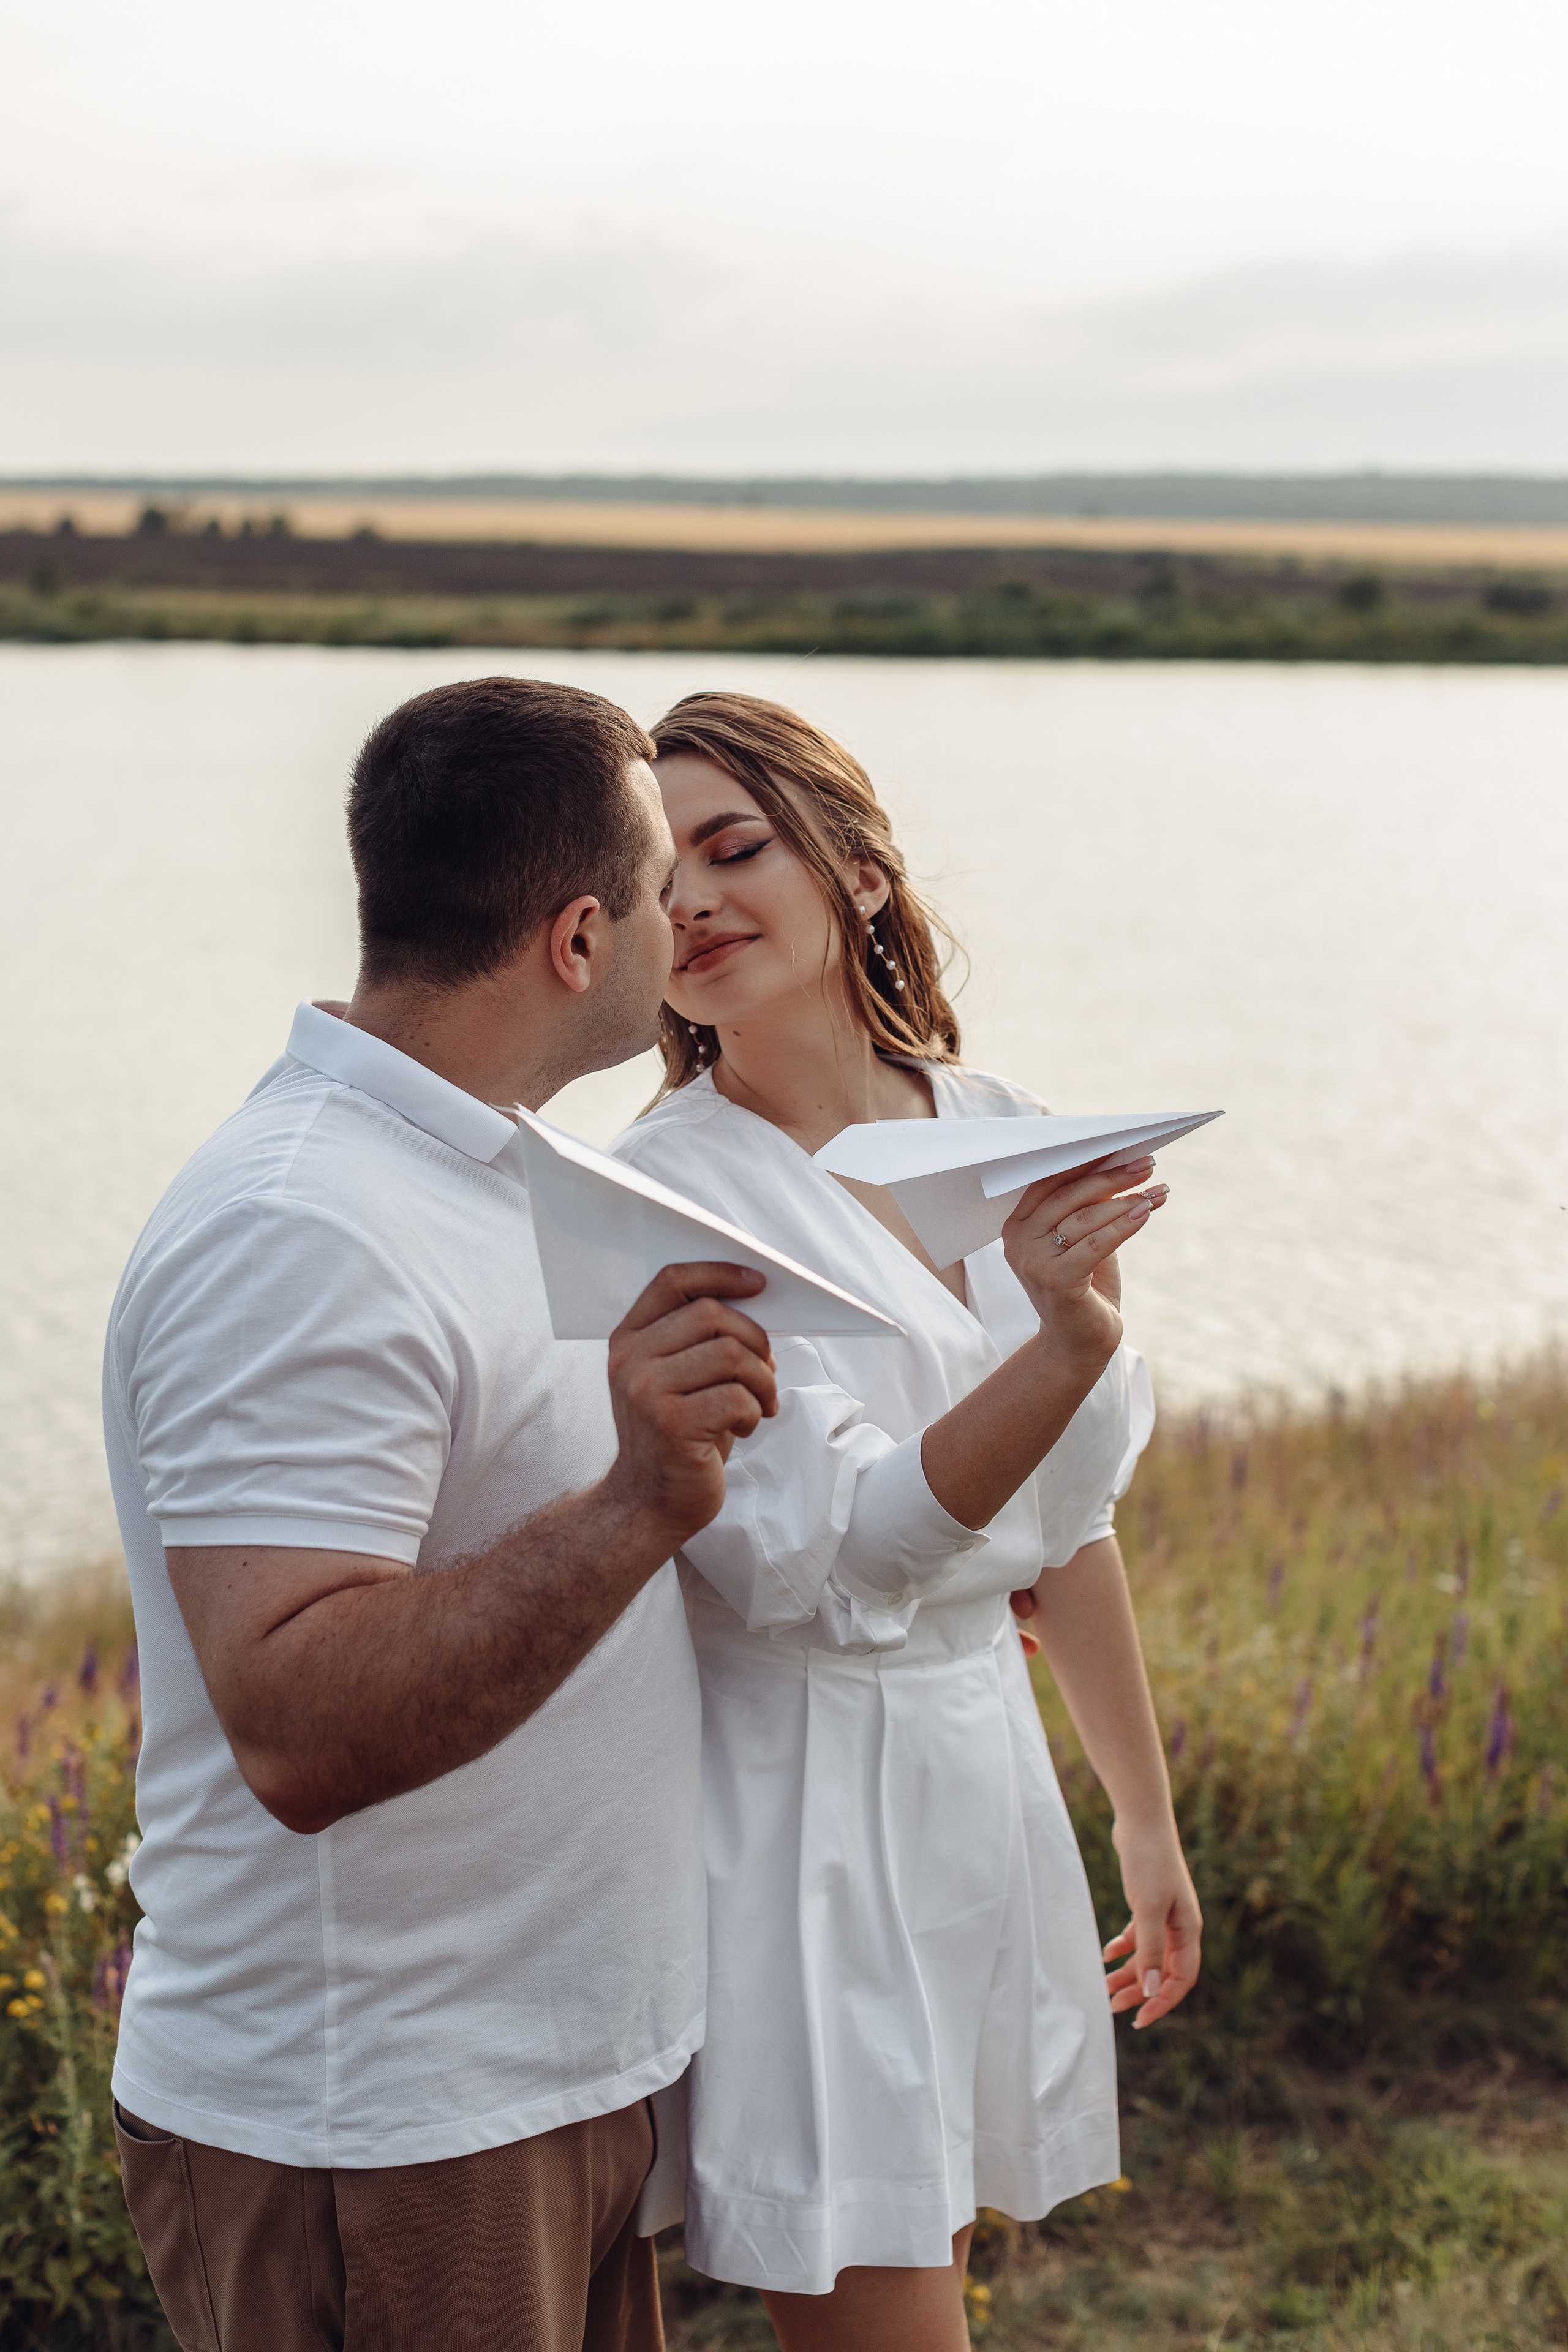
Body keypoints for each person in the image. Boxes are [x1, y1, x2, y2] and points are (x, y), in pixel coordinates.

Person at [101, 676, 780, 2352]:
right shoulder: (304, 1227)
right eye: (657, 892)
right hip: (380, 2129)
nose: (683, 921)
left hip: (536, 2094)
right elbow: (298, 1724)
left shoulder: (481, 1168)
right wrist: (639, 1499)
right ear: (574, 938)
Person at [612, 691, 1203, 2352]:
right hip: (800, 1800)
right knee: (881, 2314)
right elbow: (850, 1549)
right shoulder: (674, 1192)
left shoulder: (995, 1119)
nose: (699, 904)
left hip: (975, 1764)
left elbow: (1071, 1514)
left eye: (736, 850)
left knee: (929, 2254)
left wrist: (1140, 1822)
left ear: (861, 876)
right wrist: (1068, 1331)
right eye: (660, 879)